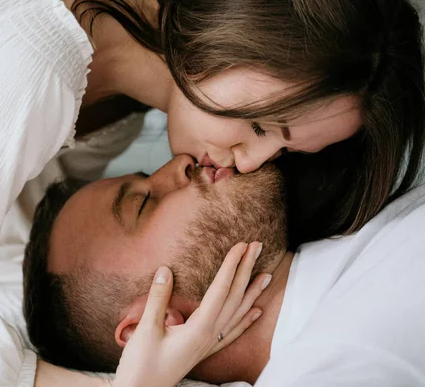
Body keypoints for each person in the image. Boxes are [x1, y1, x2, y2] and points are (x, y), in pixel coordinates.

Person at [0, 0, 423, 384]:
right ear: (236, 39)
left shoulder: (123, 93)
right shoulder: (31, 70)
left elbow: (25, 250)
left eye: (287, 149)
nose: (253, 161)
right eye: (265, 125)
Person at [24, 155, 425, 386]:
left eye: (148, 176)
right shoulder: (331, 365)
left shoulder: (359, 231)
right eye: (144, 204)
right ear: (156, 322)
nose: (178, 163)